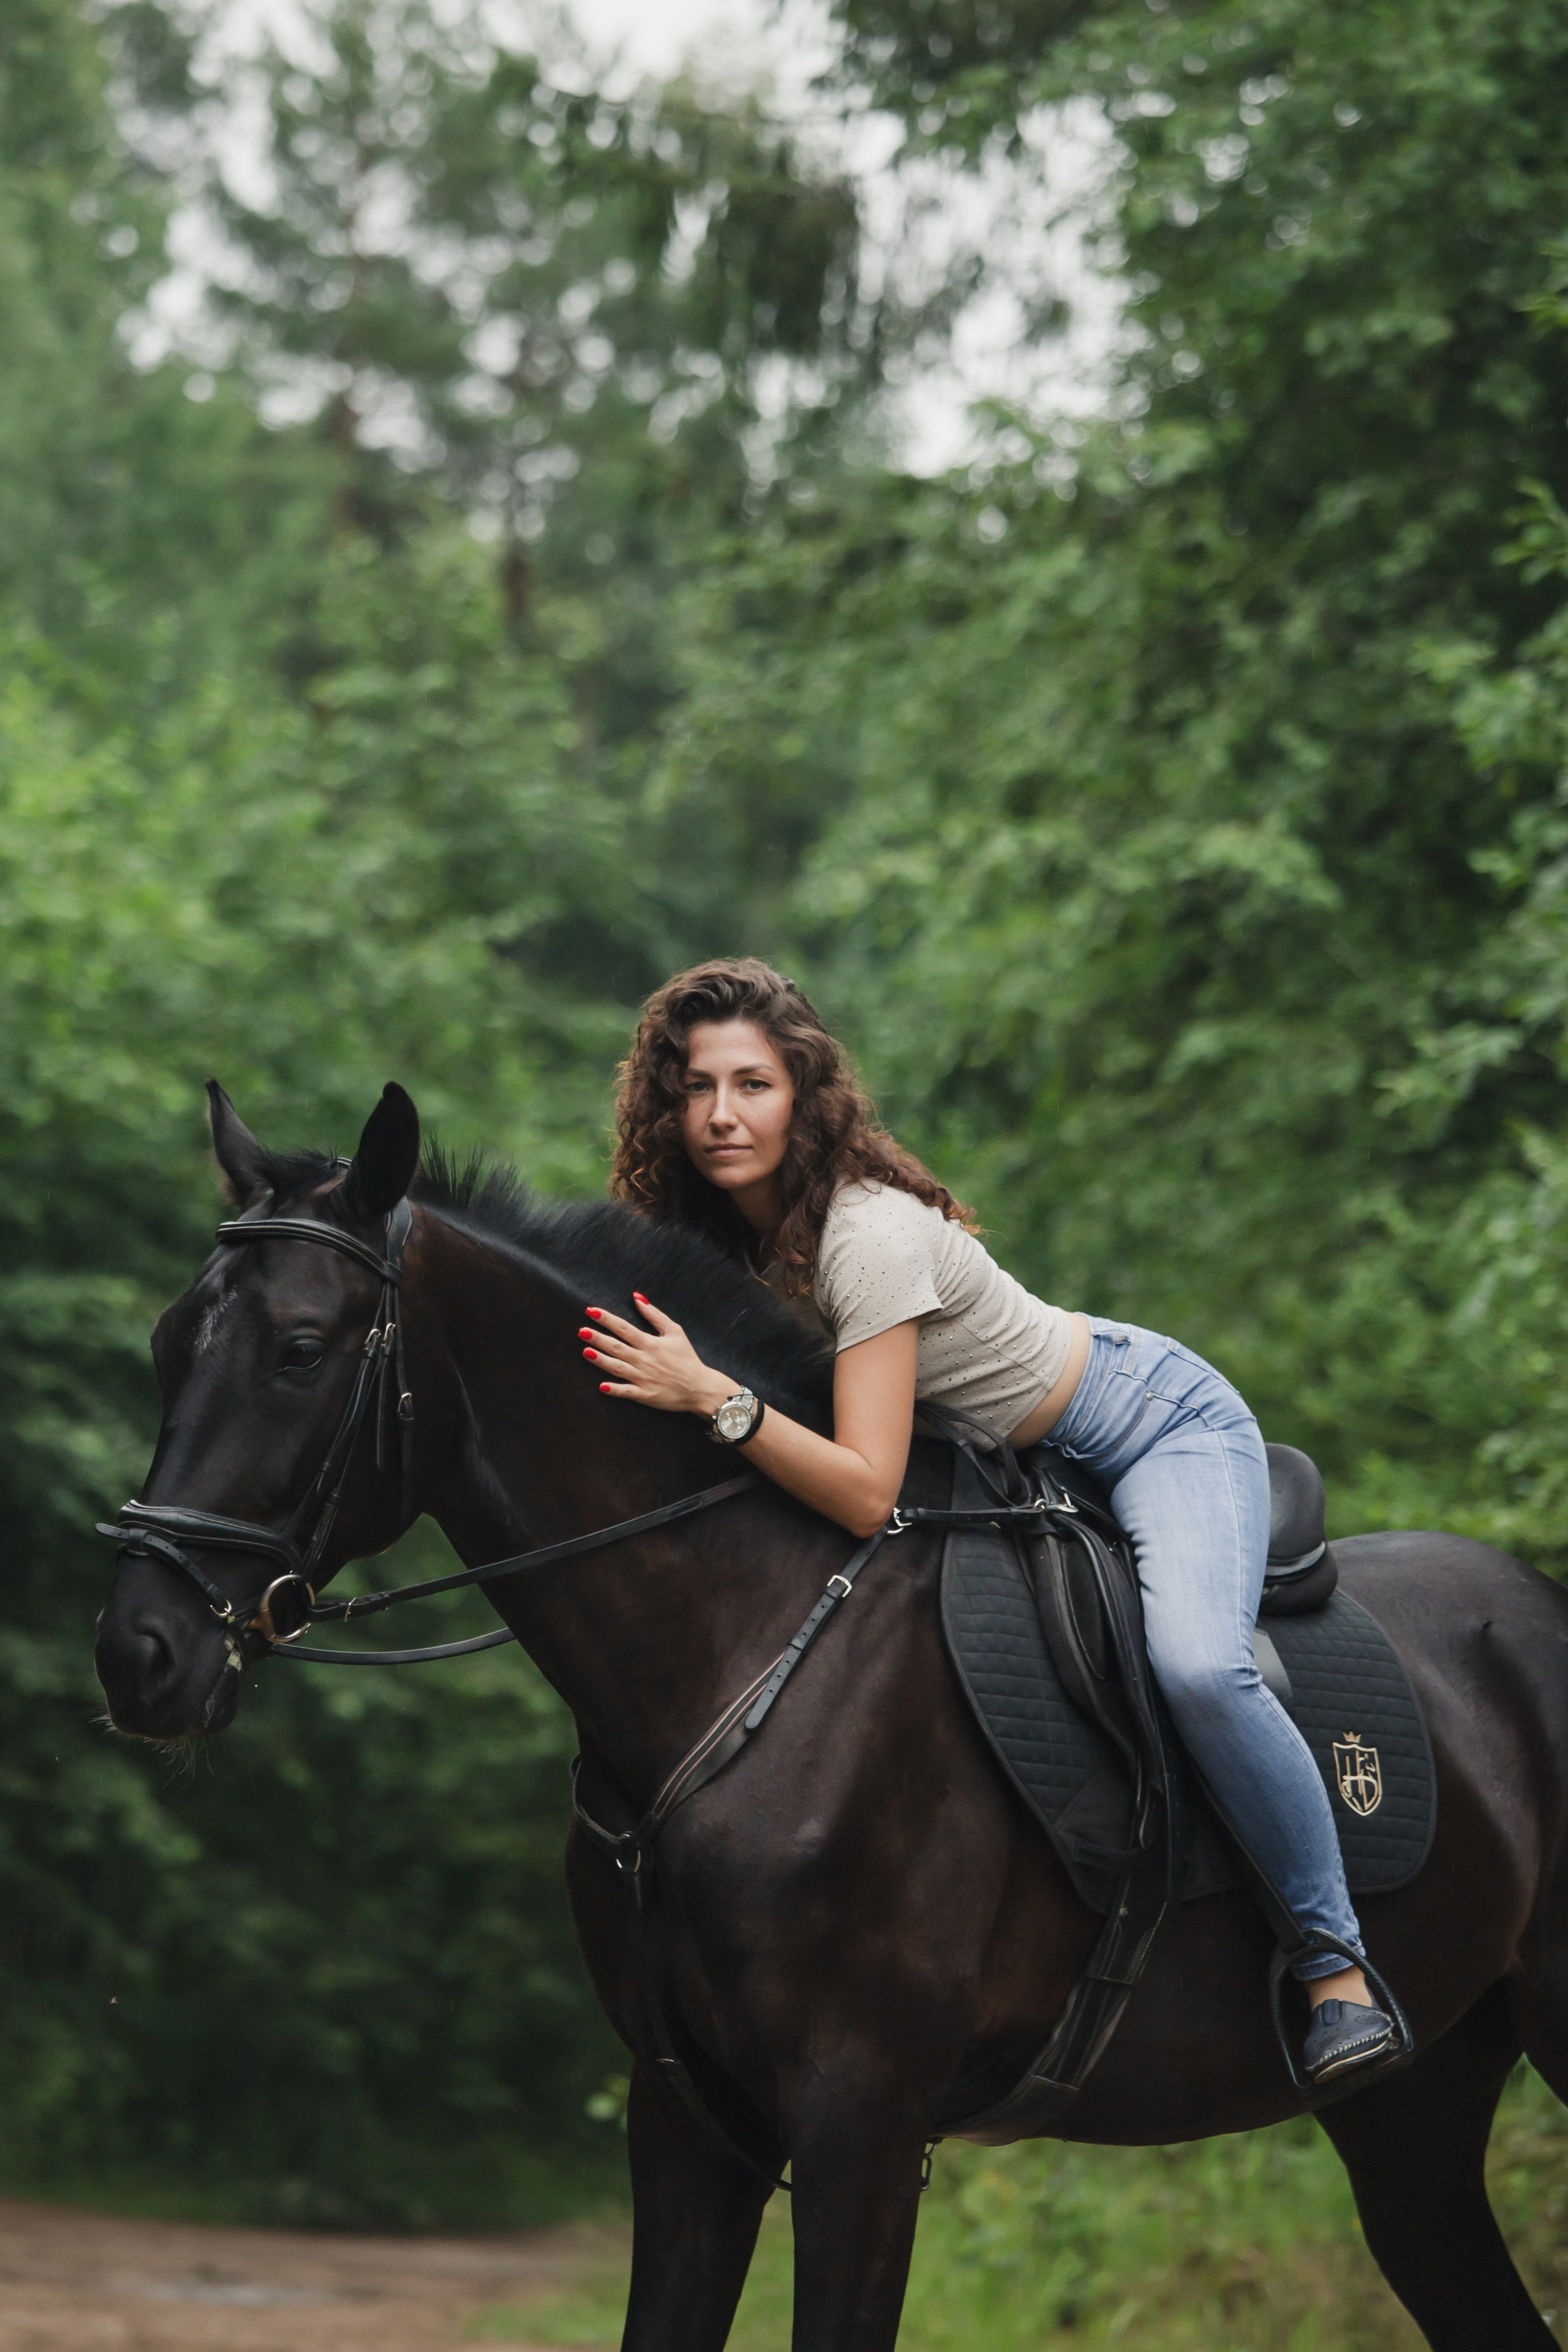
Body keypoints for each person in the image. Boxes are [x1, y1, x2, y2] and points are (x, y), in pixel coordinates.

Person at [579, 957, 1393, 2086]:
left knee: (1200, 1668)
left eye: (754, 1084)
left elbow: (863, 1487)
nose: (722, 1114)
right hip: (1010, 1454)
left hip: (1154, 1425)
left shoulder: (864, 1234)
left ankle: (1336, 1968)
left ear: (803, 1095)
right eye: (696, 1087)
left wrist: (716, 1399)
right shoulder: (718, 1241)